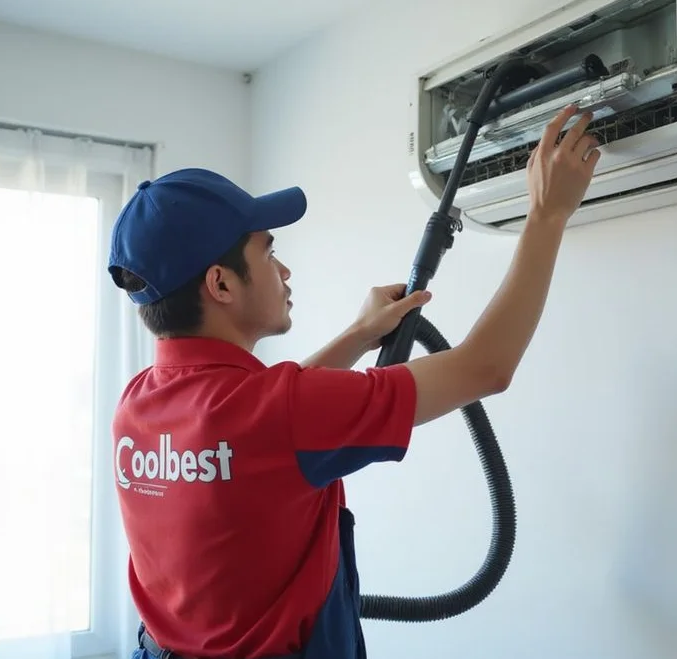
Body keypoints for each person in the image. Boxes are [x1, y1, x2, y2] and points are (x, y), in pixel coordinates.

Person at [109, 104, 601, 659]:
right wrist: (547, 215)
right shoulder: (279, 412)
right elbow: (487, 366)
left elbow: (260, 426)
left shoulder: (137, 407)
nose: (284, 271)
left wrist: (360, 335)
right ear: (221, 284)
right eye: (269, 251)